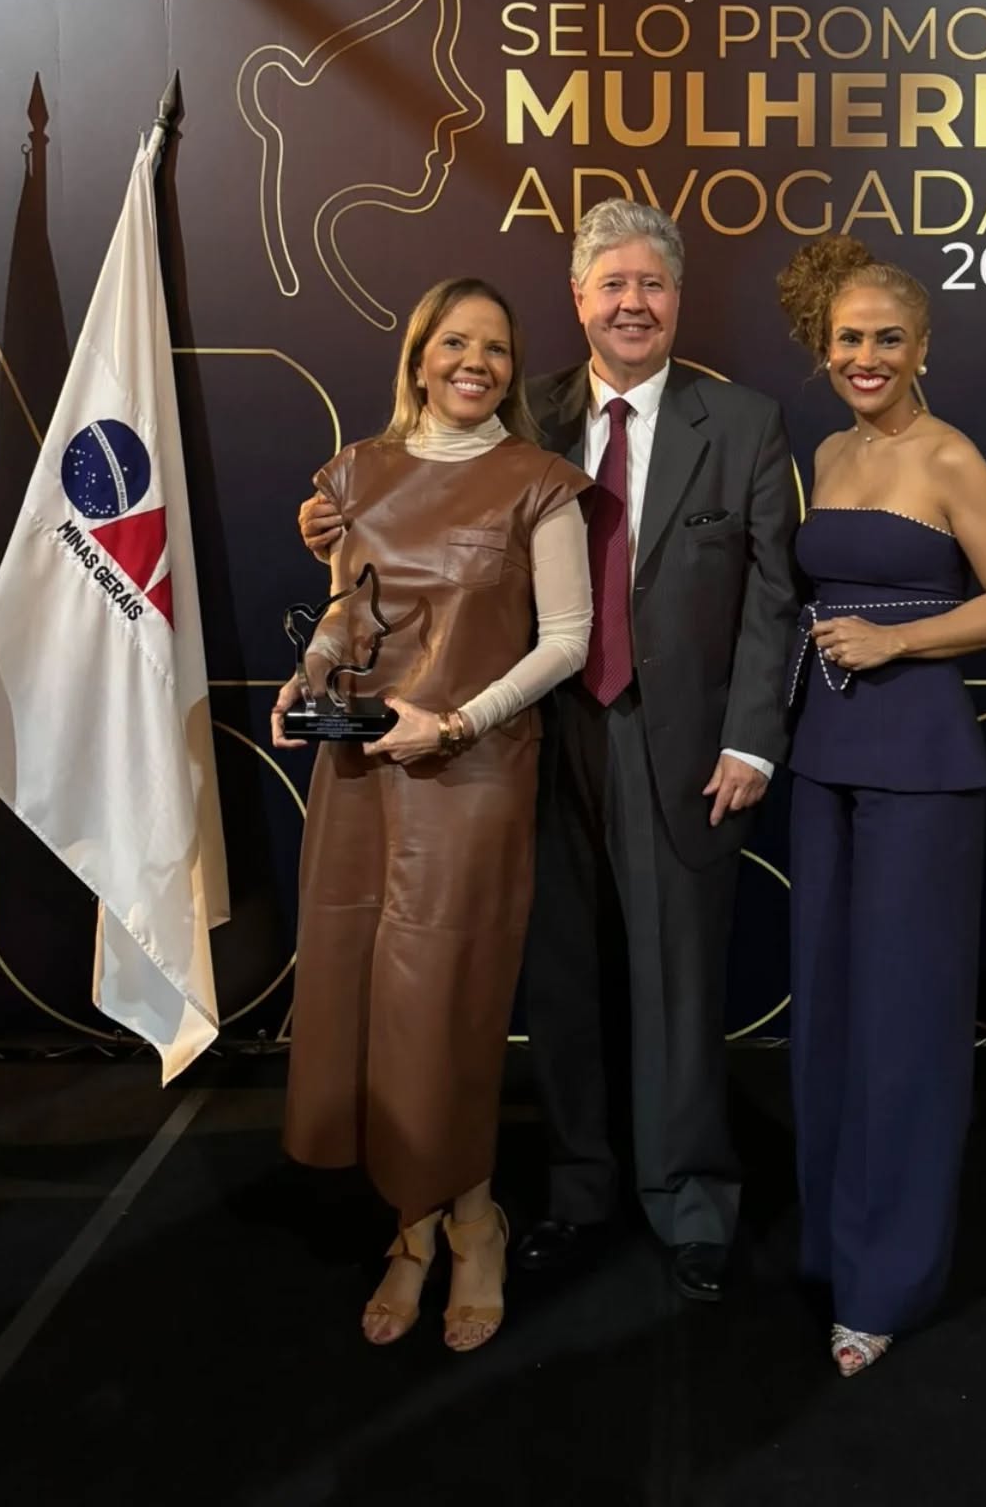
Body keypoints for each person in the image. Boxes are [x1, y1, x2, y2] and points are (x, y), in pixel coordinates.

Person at [300, 200, 801, 1302]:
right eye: (612, 283)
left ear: (679, 298)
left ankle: (690, 1201)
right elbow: (420, 517)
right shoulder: (528, 416)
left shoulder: (745, 422)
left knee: (678, 980)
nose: (633, 303)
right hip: (534, 738)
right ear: (577, 299)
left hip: (684, 747)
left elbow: (775, 599)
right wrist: (339, 523)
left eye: (652, 284)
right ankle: (578, 1191)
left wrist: (753, 742)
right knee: (561, 977)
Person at [272, 276, 592, 1352]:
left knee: (448, 1005)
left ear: (513, 369)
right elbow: (346, 612)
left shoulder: (542, 483)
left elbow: (568, 643)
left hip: (471, 775)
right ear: (418, 357)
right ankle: (412, 1231)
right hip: (361, 772)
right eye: (455, 343)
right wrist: (308, 677)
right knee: (368, 999)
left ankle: (475, 1222)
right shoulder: (357, 472)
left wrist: (454, 723)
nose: (476, 363)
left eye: (496, 348)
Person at [776, 237, 986, 1376]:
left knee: (905, 1025)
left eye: (889, 338)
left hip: (922, 763)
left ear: (924, 346)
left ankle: (886, 1281)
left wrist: (898, 640)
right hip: (823, 754)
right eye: (850, 338)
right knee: (831, 1014)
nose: (868, 356)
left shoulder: (950, 455)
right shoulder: (830, 451)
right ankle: (837, 1248)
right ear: (823, 347)